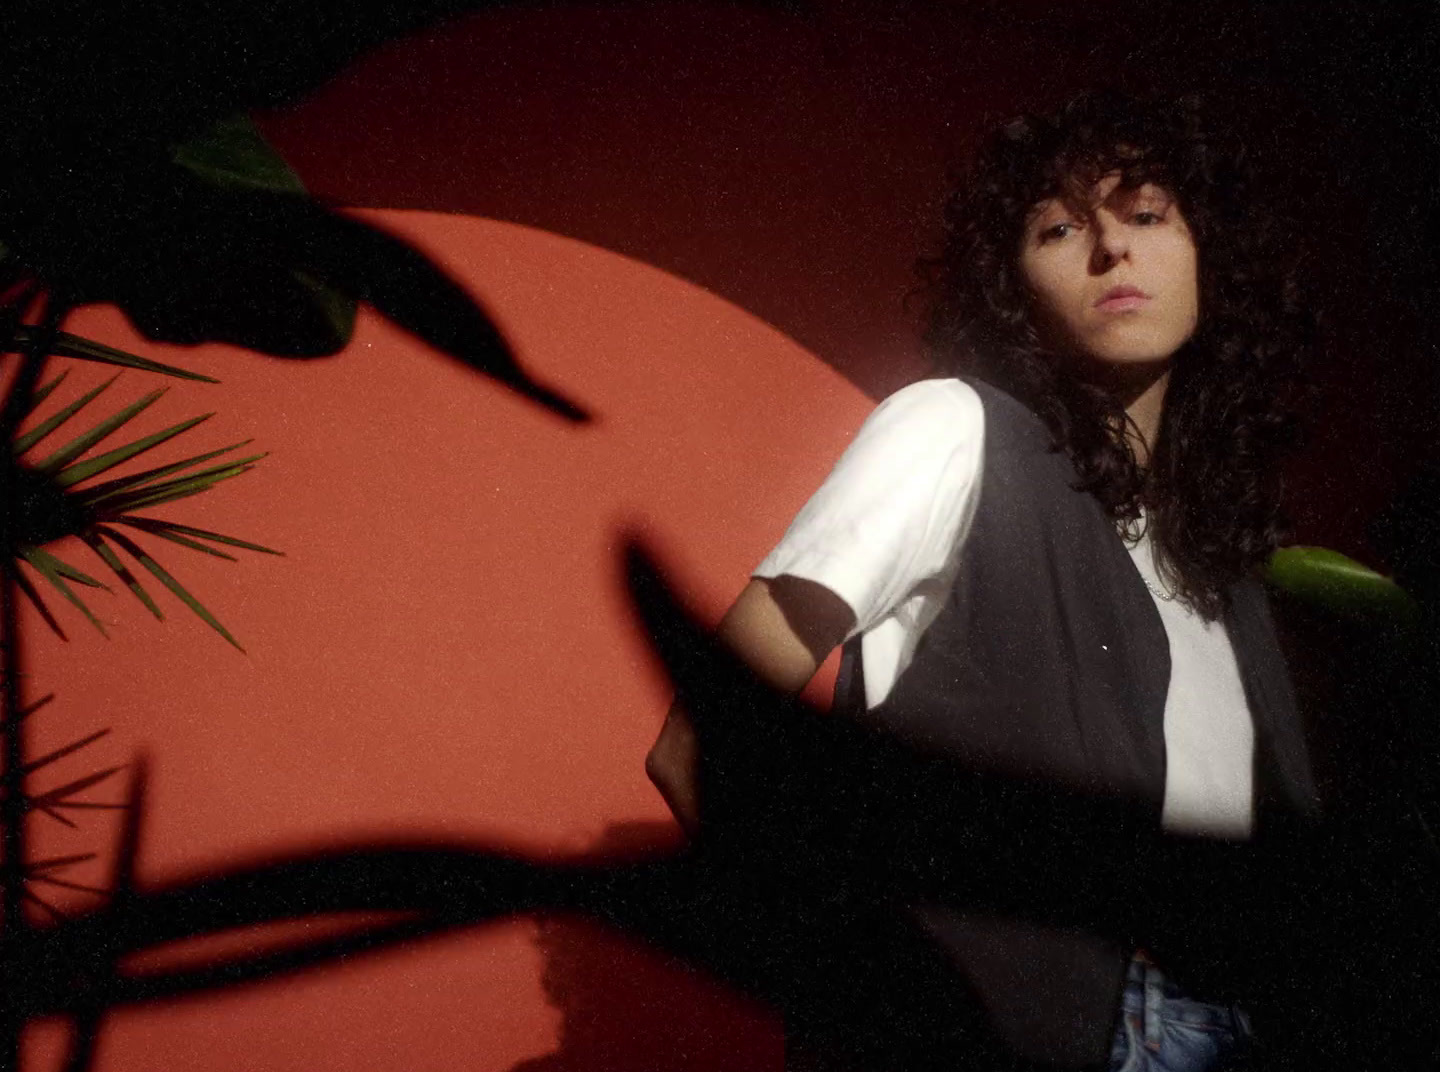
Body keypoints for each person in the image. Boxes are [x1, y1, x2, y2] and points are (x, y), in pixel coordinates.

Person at [646, 90, 1319, 1071]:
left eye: (1144, 213)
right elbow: (696, 746)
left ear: (1211, 248)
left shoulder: (1226, 569)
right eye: (1059, 227)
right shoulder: (953, 430)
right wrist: (871, 995)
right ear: (1011, 286)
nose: (1111, 252)